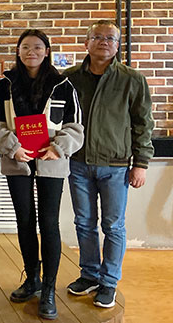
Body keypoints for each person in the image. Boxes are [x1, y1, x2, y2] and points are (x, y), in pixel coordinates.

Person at [0, 29, 84, 319]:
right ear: (18, 51)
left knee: (49, 223)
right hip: (18, 161)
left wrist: (58, 148)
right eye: (26, 47)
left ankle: (50, 290)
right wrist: (13, 147)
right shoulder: (5, 85)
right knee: (25, 221)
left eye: (38, 47)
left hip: (50, 162)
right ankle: (32, 279)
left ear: (47, 51)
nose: (32, 52)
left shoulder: (63, 85)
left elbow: (75, 126)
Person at [63, 20, 154, 308]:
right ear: (86, 43)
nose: (104, 42)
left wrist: (141, 163)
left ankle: (109, 281)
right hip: (78, 164)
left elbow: (143, 124)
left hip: (116, 166)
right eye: (97, 37)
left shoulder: (132, 79)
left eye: (110, 38)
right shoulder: (69, 78)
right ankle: (89, 275)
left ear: (117, 45)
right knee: (84, 223)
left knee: (113, 225)